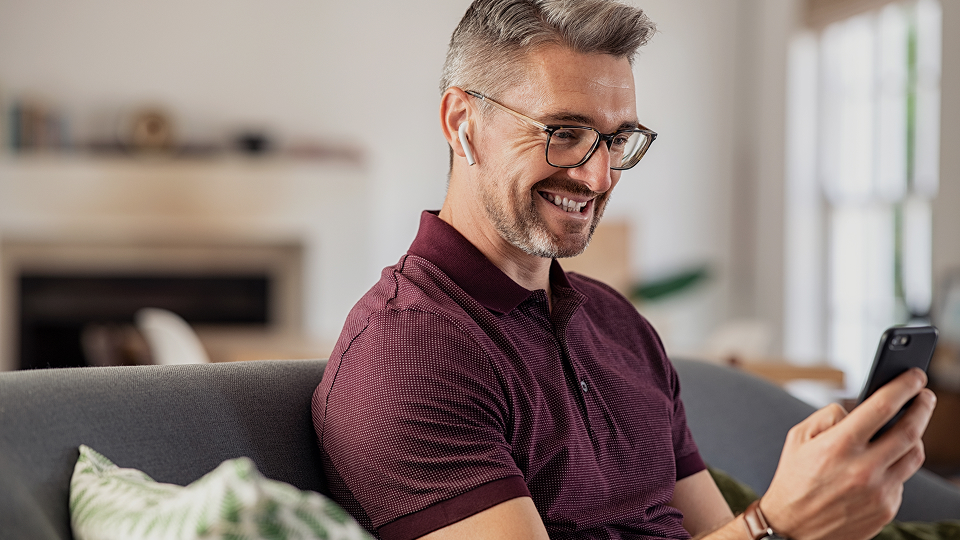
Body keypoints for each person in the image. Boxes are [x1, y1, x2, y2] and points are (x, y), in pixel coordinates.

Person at [312, 1, 937, 538]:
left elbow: (710, 532)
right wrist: (780, 522)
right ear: (461, 123)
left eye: (615, 140)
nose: (597, 176)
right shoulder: (408, 347)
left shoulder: (615, 323)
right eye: (564, 131)